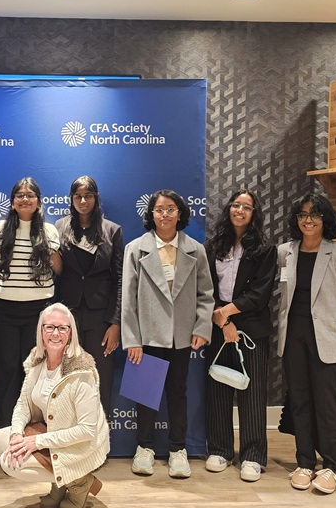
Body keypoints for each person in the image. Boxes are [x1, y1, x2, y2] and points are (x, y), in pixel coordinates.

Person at [121, 189, 213, 479]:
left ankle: (178, 450)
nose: (164, 215)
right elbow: (128, 298)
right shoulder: (135, 248)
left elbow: (206, 294)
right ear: (151, 214)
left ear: (180, 213)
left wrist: (201, 327)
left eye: (170, 209)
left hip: (181, 335)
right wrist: (132, 338)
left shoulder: (195, 250)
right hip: (147, 335)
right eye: (159, 210)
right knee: (145, 394)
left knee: (177, 392)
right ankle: (144, 448)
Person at [277, 193, 336, 494]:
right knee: (299, 400)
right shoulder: (285, 252)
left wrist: (335, 328)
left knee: (327, 404)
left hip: (327, 336)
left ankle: (333, 467)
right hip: (293, 336)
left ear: (326, 219)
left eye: (314, 214)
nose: (308, 220)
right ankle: (304, 462)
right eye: (302, 215)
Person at [0, 303, 109, 508]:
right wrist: (17, 434)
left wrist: (37, 442)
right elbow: (23, 405)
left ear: (70, 334)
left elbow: (87, 430)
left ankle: (79, 483)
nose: (55, 333)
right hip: (51, 435)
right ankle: (62, 482)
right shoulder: (37, 361)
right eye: (49, 327)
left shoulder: (82, 373)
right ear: (41, 331)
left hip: (80, 445)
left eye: (62, 328)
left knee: (12, 465)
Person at [203, 190, 276, 482]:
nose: (240, 210)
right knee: (219, 389)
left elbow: (260, 293)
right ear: (228, 209)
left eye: (247, 207)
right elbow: (205, 289)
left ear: (254, 213)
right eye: (236, 205)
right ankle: (220, 449)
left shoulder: (264, 248)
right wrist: (222, 321)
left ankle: (252, 455)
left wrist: (228, 314)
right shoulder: (213, 246)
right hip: (219, 326)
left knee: (252, 393)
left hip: (252, 329)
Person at [0, 177, 62, 427]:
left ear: (38, 202)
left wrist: (49, 250)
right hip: (3, 311)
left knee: (35, 375)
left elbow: (58, 270)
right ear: (13, 202)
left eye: (30, 195)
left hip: (38, 313)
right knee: (7, 375)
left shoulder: (50, 232)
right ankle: (7, 432)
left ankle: (34, 434)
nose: (25, 199)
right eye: (20, 195)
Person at [54, 175, 123, 413]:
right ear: (71, 199)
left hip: (100, 318)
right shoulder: (60, 227)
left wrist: (115, 323)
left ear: (96, 198)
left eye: (88, 195)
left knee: (99, 378)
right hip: (67, 315)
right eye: (78, 196)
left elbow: (120, 279)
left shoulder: (111, 230)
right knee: (68, 377)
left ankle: (99, 441)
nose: (83, 201)